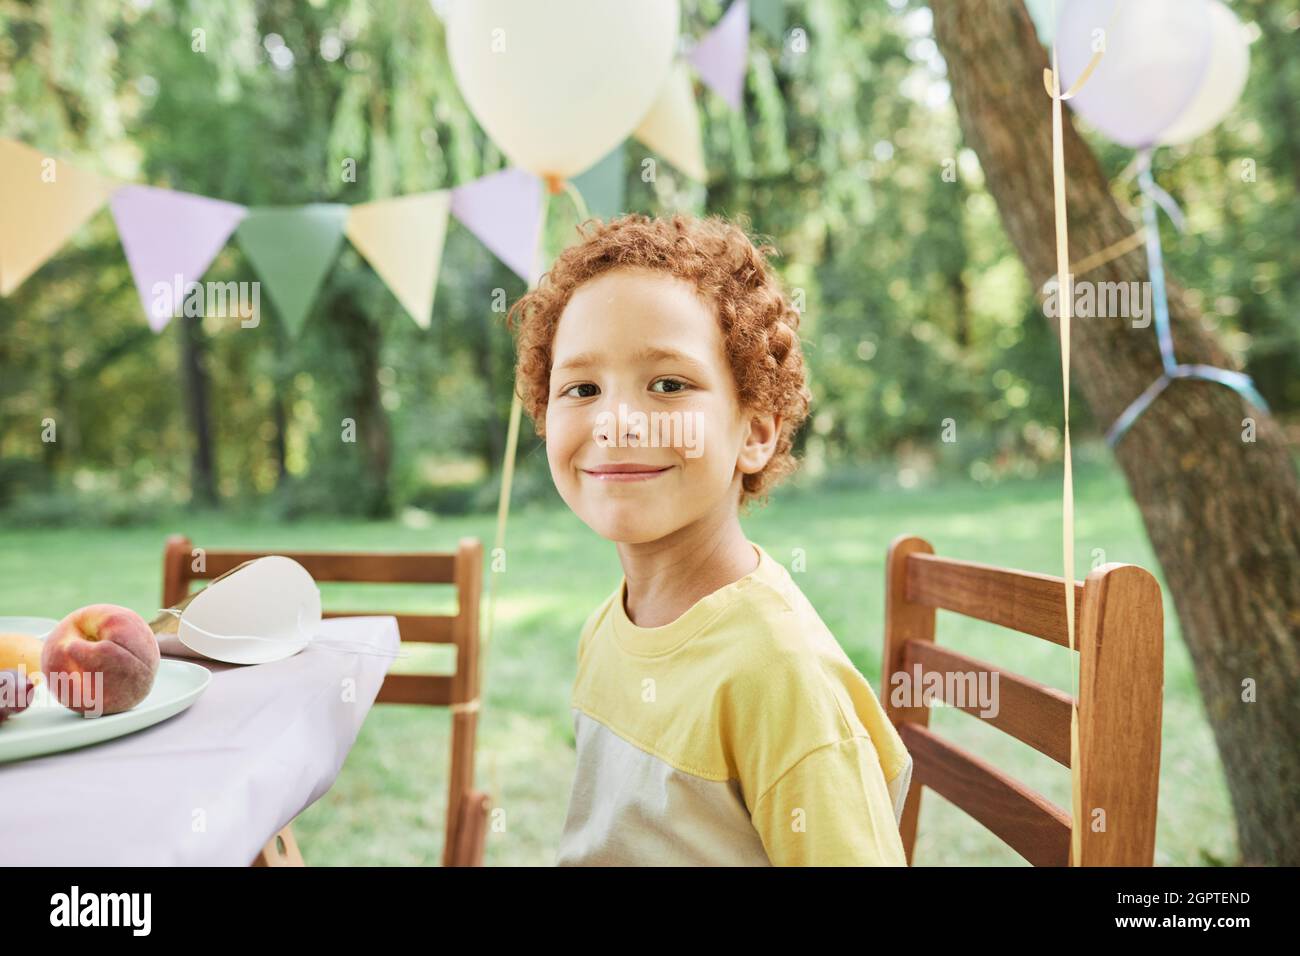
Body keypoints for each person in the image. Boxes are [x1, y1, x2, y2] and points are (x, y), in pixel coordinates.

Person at [506, 212, 912, 866]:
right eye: (582, 388)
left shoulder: (779, 676)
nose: (617, 423)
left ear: (755, 431)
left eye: (668, 384)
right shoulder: (605, 629)